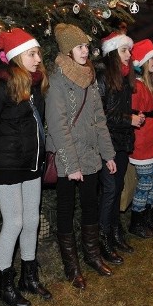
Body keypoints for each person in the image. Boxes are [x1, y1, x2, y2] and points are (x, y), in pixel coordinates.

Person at [0, 27, 52, 306]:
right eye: (32, 53)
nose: (37, 58)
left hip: (31, 165)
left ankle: (28, 277)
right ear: (17, 57)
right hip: (5, 167)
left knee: (31, 220)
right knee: (14, 222)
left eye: (38, 53)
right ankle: (2, 285)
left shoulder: (34, 85)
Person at [45, 23, 117, 286]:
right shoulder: (56, 79)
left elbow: (99, 119)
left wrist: (108, 154)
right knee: (66, 210)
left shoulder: (89, 76)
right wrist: (71, 165)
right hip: (67, 159)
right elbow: (58, 126)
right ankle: (71, 266)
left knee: (90, 206)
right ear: (67, 51)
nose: (85, 51)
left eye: (86, 46)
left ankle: (92, 256)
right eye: (79, 47)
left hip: (89, 156)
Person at [96, 31, 140, 261]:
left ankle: (114, 231)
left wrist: (131, 116)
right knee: (110, 190)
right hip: (107, 142)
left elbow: (118, 109)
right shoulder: (103, 77)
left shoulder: (124, 78)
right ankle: (102, 238)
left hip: (122, 141)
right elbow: (101, 114)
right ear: (113, 53)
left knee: (118, 186)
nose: (129, 55)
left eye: (129, 50)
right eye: (124, 50)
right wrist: (128, 119)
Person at [128, 39, 153, 238]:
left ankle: (148, 216)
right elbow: (134, 112)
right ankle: (136, 221)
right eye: (152, 58)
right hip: (143, 139)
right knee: (145, 181)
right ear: (143, 61)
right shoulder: (138, 85)